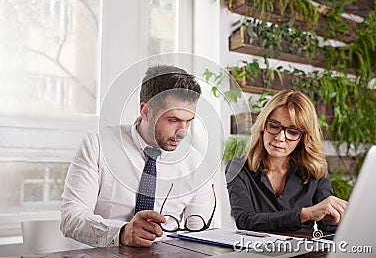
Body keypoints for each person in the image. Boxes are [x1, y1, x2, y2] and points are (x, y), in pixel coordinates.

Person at [60, 65, 214, 248]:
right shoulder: (98, 145)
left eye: (189, 121)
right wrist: (122, 232)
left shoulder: (195, 163)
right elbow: (71, 217)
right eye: (173, 120)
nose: (182, 132)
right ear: (145, 111)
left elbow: (198, 233)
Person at [227, 90, 347, 233]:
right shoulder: (237, 168)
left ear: (303, 137)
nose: (280, 137)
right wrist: (305, 214)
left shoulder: (315, 170)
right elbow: (245, 221)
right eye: (274, 126)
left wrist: (344, 216)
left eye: (293, 131)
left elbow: (330, 228)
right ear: (262, 126)